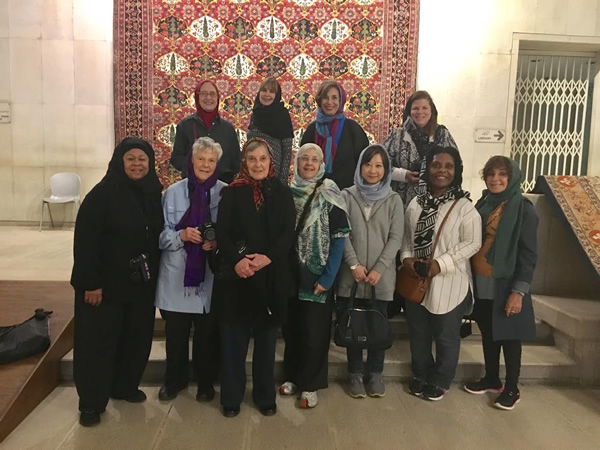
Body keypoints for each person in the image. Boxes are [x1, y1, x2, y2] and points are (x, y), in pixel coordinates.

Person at [71, 137, 164, 427]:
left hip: (139, 284)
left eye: (142, 159)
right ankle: (91, 402)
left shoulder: (152, 192)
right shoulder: (102, 195)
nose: (137, 164)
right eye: (131, 159)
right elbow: (86, 243)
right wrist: (91, 283)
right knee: (98, 343)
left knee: (135, 338)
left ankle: (124, 386)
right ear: (119, 162)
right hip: (105, 287)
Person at [213, 137, 295, 418]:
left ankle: (264, 396)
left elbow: (288, 232)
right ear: (244, 162)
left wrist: (267, 258)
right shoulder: (233, 192)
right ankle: (232, 397)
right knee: (233, 342)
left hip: (270, 278)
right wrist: (237, 262)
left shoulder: (282, 193)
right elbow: (221, 232)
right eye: (252, 159)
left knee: (266, 343)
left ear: (271, 162)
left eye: (263, 159)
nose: (258, 164)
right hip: (237, 279)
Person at [401, 146, 481, 401]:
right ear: (428, 168)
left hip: (450, 282)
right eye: (436, 165)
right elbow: (405, 238)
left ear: (456, 171)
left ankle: (441, 379)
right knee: (418, 332)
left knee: (446, 336)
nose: (442, 171)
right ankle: (421, 373)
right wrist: (406, 259)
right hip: (418, 280)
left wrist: (440, 264)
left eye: (448, 166)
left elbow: (472, 243)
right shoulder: (416, 203)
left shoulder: (464, 206)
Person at [464, 156, 538, 411]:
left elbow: (529, 254)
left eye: (502, 174)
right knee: (488, 332)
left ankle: (512, 387)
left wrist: (519, 291)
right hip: (482, 280)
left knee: (509, 336)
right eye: (491, 173)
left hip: (506, 283)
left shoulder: (523, 209)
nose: (495, 179)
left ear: (512, 176)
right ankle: (492, 378)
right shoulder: (484, 203)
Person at [155, 137, 226, 403]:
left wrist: (217, 241)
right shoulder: (172, 193)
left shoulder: (224, 192)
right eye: (201, 159)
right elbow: (159, 237)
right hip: (176, 277)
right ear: (191, 161)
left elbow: (232, 233)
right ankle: (174, 381)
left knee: (206, 337)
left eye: (211, 160)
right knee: (175, 336)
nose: (206, 165)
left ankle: (206, 382)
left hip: (208, 276)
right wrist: (181, 235)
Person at [280, 143, 350, 408]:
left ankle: (311, 385)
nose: (309, 163)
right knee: (293, 330)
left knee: (314, 332)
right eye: (304, 159)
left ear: (322, 163)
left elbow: (339, 239)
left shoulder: (331, 194)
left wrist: (329, 277)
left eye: (314, 159)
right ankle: (292, 377)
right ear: (296, 162)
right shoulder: (287, 193)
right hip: (291, 273)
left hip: (318, 275)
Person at [336, 144, 404, 398]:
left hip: (380, 279)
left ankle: (375, 374)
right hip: (350, 277)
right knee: (352, 327)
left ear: (386, 170)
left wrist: (379, 269)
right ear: (360, 167)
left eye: (378, 165)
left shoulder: (393, 200)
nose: (372, 170)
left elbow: (396, 238)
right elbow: (341, 232)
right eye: (368, 164)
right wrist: (354, 264)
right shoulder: (346, 195)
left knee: (377, 328)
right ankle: (354, 374)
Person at [382, 90, 457, 208]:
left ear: (431, 111)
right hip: (401, 203)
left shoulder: (443, 135)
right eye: (416, 108)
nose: (420, 112)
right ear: (409, 112)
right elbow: (381, 166)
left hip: (436, 203)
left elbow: (456, 166)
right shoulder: (397, 135)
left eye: (424, 108)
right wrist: (404, 175)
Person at [300, 80, 370, 190]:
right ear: (319, 100)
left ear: (341, 100)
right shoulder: (312, 130)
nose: (329, 102)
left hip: (346, 195)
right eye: (325, 97)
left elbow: (365, 163)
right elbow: (302, 163)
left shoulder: (353, 130)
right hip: (315, 193)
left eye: (334, 98)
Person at [170, 80, 240, 183]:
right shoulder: (185, 126)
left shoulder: (228, 129)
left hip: (222, 189)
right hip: (193, 187)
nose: (208, 98)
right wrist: (196, 167)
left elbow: (236, 162)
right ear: (197, 97)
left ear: (218, 97)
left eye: (212, 94)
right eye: (203, 94)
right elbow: (176, 159)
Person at [247, 76, 294, 184]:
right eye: (264, 90)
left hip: (273, 177)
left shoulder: (282, 115)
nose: (267, 94)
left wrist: (281, 183)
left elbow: (287, 153)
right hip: (253, 172)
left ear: (276, 95)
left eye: (271, 91)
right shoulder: (256, 113)